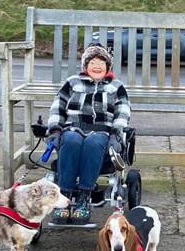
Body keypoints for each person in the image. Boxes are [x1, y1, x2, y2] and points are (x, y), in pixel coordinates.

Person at [47, 44, 131, 225]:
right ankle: (65, 197)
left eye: (101, 62)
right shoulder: (73, 82)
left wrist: (117, 133)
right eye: (92, 62)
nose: (97, 66)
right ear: (85, 65)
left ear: (108, 66)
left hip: (101, 131)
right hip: (73, 128)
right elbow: (58, 106)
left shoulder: (116, 86)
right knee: (70, 141)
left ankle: (85, 197)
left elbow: (123, 111)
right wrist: (55, 129)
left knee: (93, 144)